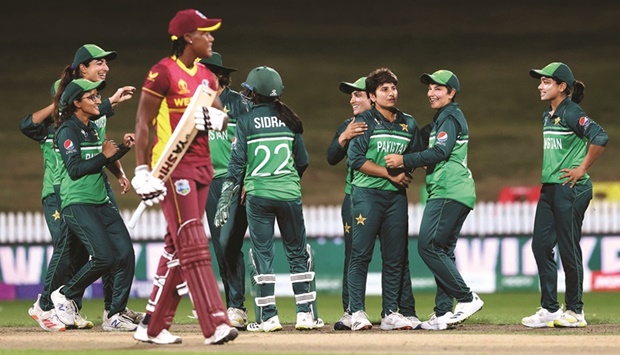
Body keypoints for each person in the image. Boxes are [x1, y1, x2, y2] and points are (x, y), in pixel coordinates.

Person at [131, 8, 238, 345]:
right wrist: (142, 170)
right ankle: (215, 323)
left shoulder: (206, 76)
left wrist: (214, 120)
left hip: (203, 166)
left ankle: (152, 327)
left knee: (178, 247)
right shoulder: (162, 72)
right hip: (172, 166)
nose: (211, 38)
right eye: (205, 33)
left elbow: (221, 116)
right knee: (192, 241)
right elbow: (142, 123)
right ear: (188, 37)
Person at [24, 44, 141, 331]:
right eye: (98, 64)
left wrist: (120, 163)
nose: (97, 97)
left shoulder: (90, 121)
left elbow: (101, 149)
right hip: (64, 192)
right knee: (70, 251)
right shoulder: (58, 126)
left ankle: (112, 311)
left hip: (95, 189)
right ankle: (47, 304)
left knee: (111, 253)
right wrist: (61, 101)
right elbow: (27, 125)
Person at [214, 66, 323, 332]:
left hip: (258, 196)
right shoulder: (291, 120)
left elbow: (236, 166)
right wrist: (287, 181)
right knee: (298, 253)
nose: (245, 94)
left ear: (255, 93)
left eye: (248, 90)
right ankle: (305, 314)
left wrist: (224, 201)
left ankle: (268, 317)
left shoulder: (246, 121)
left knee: (263, 255)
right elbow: (303, 161)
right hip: (288, 194)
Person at [385, 69, 483, 330]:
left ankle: (466, 297)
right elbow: (420, 142)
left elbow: (440, 152)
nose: (431, 92)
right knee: (444, 251)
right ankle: (442, 313)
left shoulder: (450, 117)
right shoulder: (442, 117)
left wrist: (404, 161)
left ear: (451, 93)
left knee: (427, 246)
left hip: (448, 190)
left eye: (438, 88)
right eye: (429, 88)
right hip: (456, 191)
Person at [521, 62, 607, 328]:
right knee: (540, 246)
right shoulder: (548, 114)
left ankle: (575, 311)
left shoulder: (571, 112)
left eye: (546, 82)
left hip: (571, 189)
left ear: (561, 87)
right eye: (540, 81)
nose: (540, 86)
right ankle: (549, 309)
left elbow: (600, 136)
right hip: (550, 188)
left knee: (569, 249)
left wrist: (581, 169)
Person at [50, 79, 136, 332]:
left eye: (98, 96)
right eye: (92, 97)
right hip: (77, 203)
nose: (99, 101)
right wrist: (105, 155)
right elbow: (75, 169)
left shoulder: (91, 128)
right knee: (104, 257)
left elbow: (100, 159)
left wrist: (122, 150)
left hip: (101, 201)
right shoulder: (67, 130)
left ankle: (115, 315)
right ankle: (64, 294)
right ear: (77, 103)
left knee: (125, 255)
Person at [346, 67, 423, 331]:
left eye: (393, 88)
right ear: (373, 95)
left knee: (394, 257)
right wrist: (390, 175)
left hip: (396, 199)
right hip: (367, 194)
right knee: (361, 254)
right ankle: (356, 312)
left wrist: (405, 170)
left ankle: (391, 312)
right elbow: (355, 160)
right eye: (384, 89)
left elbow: (415, 155)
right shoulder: (364, 121)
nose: (391, 93)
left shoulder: (408, 122)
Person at [200, 52, 251, 330]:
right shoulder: (196, 104)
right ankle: (229, 306)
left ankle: (237, 307)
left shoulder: (239, 103)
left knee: (228, 243)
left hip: (233, 180)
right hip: (208, 181)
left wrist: (245, 180)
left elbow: (250, 142)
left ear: (220, 75)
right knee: (220, 247)